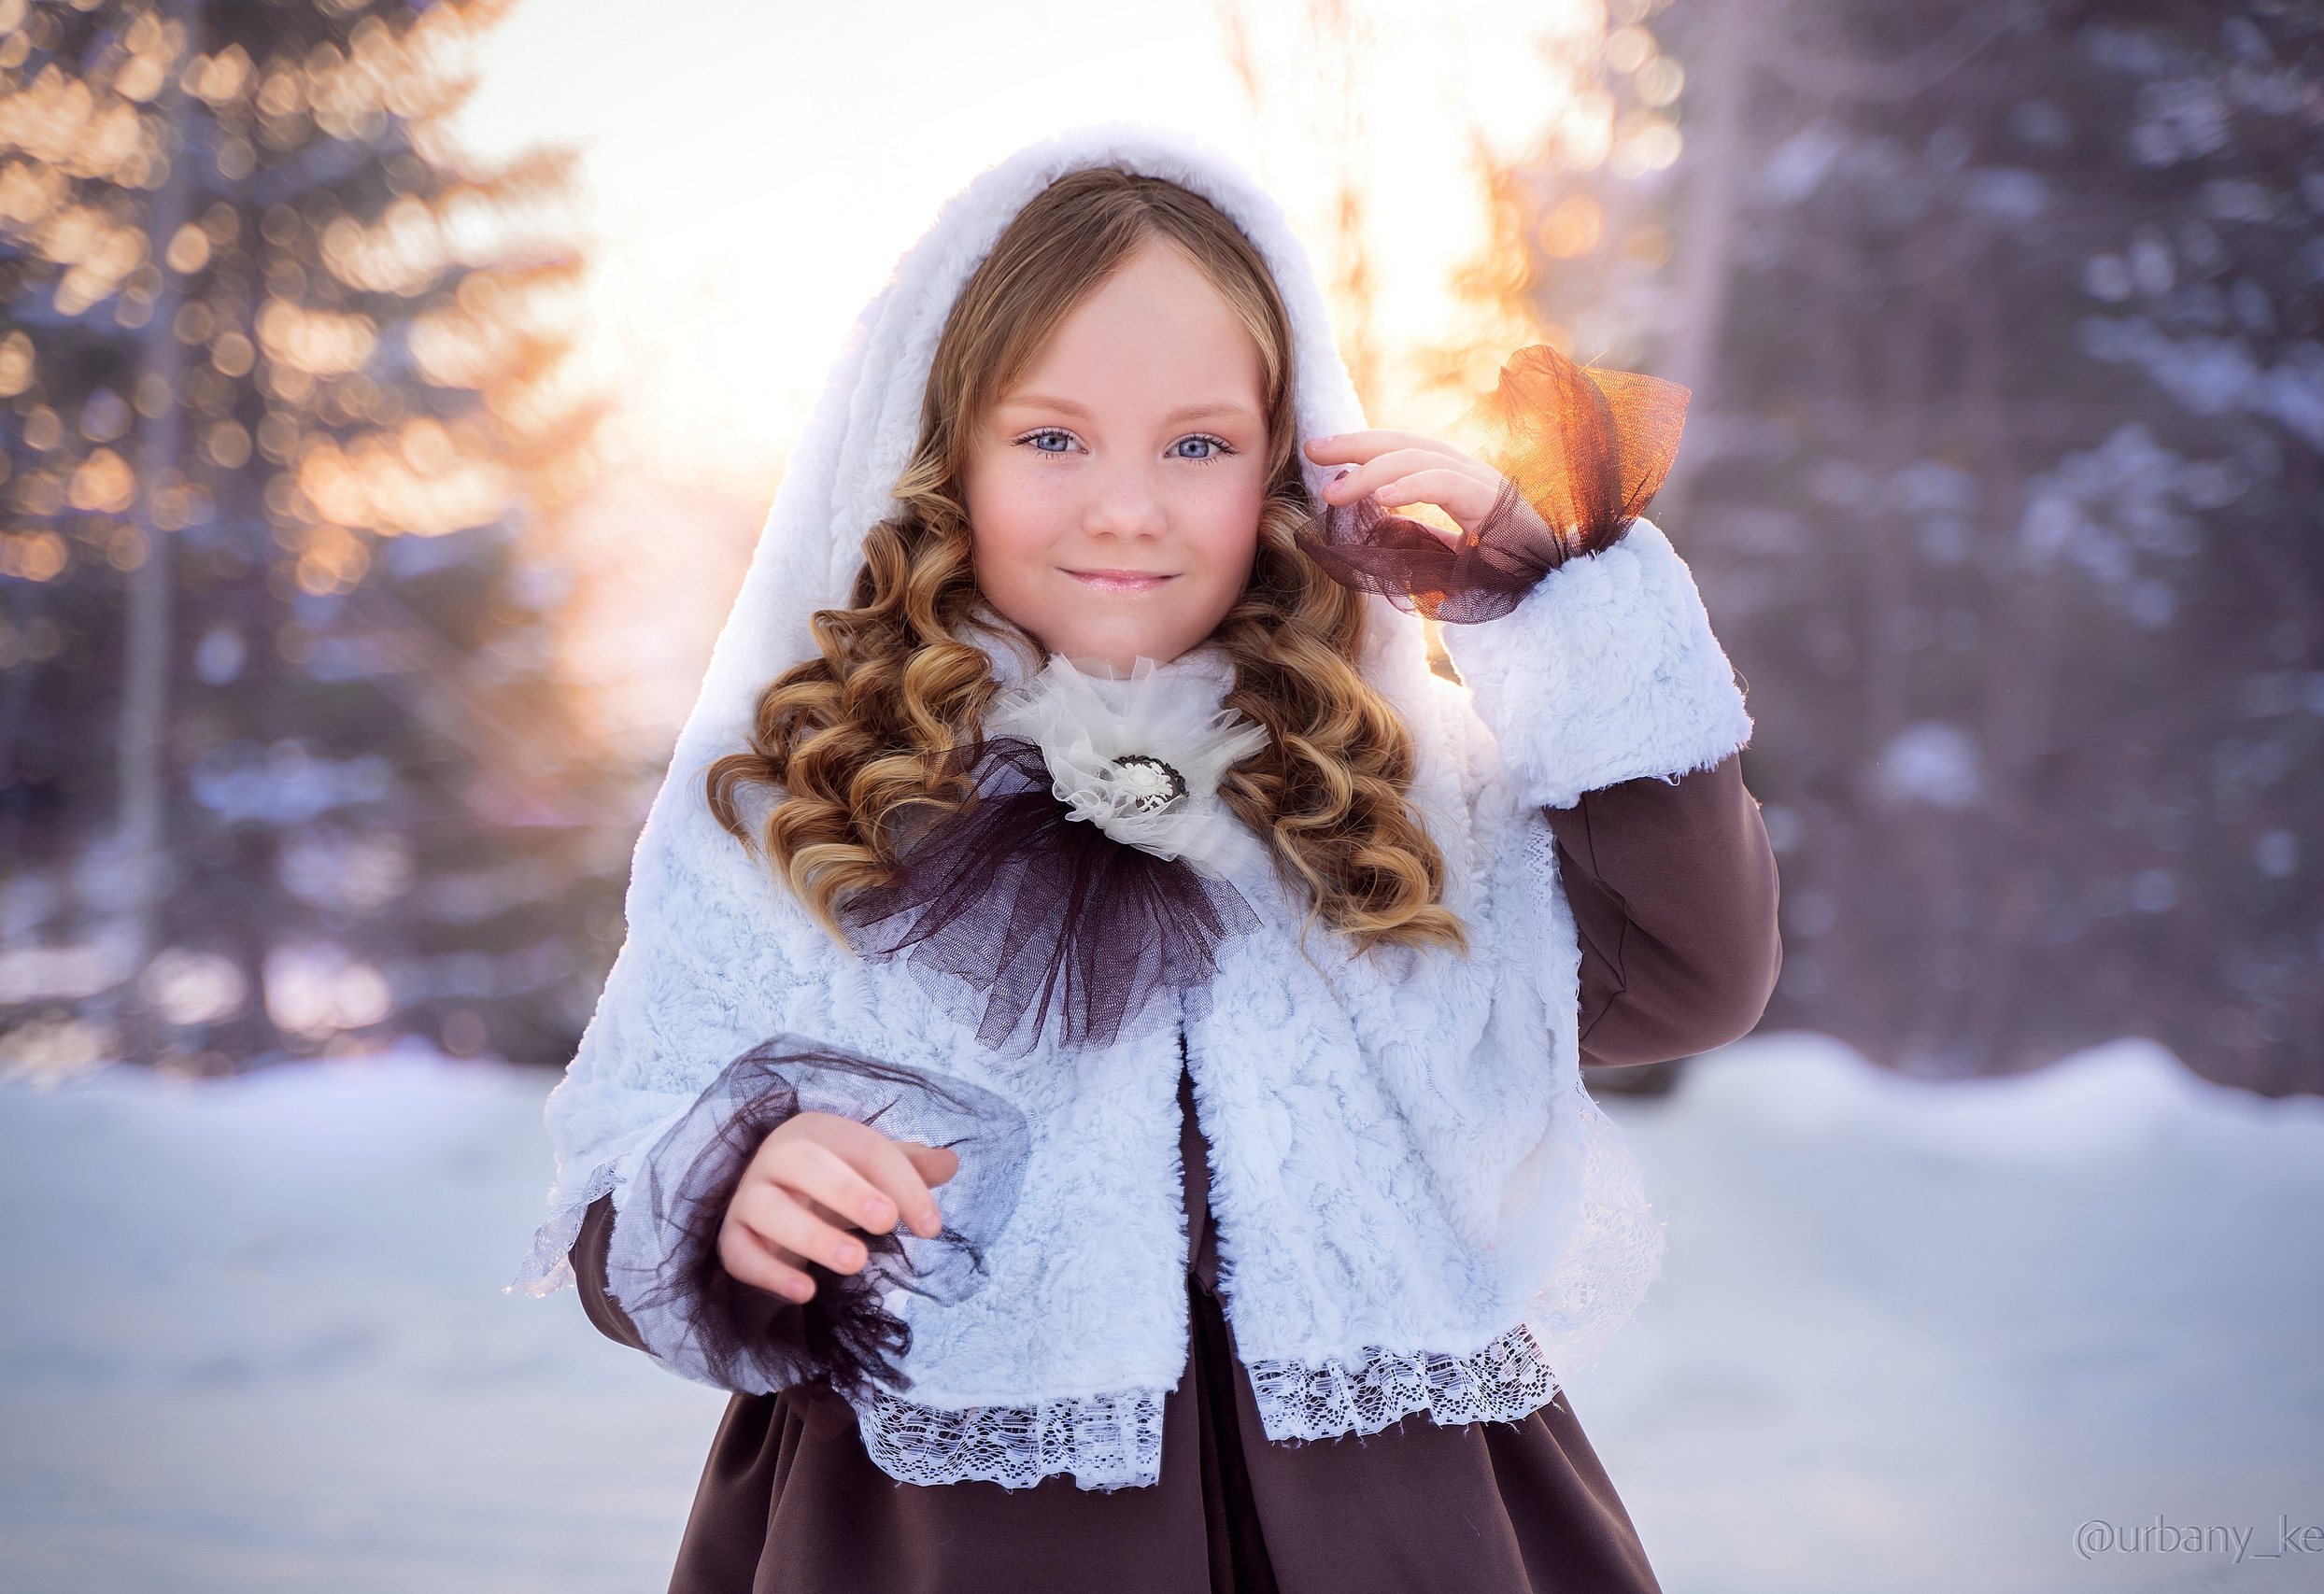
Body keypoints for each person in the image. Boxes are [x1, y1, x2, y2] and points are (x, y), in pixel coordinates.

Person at [517, 125, 1780, 1594]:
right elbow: (618, 1173)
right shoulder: (807, 803)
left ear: (1287, 471)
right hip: (935, 1531)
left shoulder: (1390, 782)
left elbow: (1689, 983)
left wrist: (1539, 609)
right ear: (947, 459)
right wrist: (733, 1183)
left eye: (1198, 445)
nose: (1127, 504)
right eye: (1051, 438)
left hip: (1403, 1518)